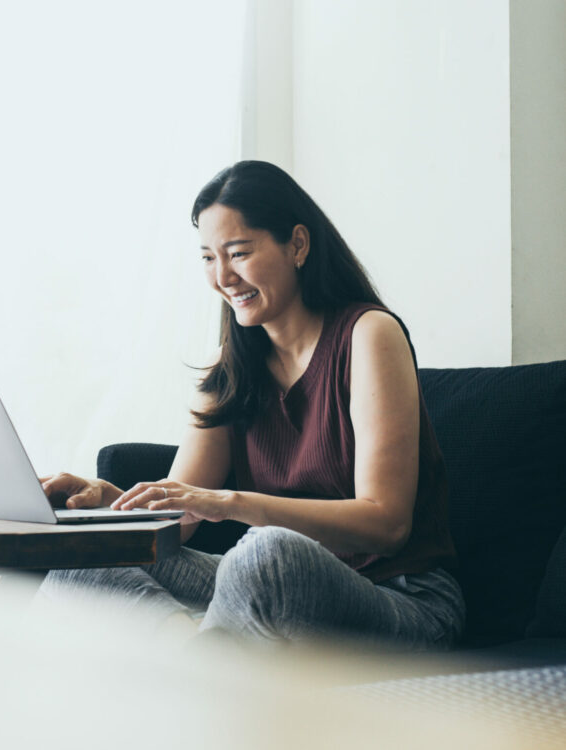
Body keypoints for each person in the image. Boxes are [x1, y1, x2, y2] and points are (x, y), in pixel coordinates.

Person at [39, 161, 464, 648]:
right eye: (207, 258)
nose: (223, 277)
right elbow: (181, 516)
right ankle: (199, 660)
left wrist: (232, 503)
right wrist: (104, 500)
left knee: (267, 552)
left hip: (402, 598)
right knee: (88, 554)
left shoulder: (369, 335)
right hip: (269, 588)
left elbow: (387, 523)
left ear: (298, 245)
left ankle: (191, 665)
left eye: (238, 253)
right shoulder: (233, 366)